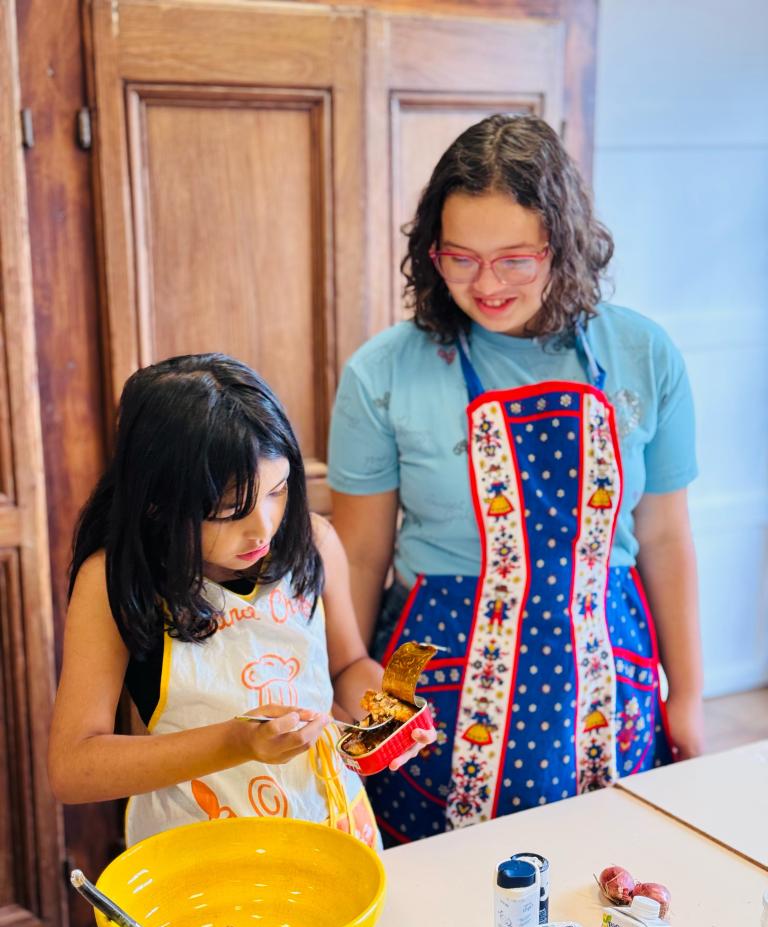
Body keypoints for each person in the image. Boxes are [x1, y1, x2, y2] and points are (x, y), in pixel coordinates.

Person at [328, 113, 704, 846]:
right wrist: (346, 671)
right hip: (431, 679)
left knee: (597, 873)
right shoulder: (383, 373)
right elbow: (359, 556)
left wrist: (687, 693)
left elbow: (664, 537)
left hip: (606, 676)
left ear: (563, 244)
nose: (486, 284)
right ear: (431, 251)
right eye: (460, 258)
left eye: (515, 260)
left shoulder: (644, 353)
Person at [48, 353, 433, 848]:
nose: (263, 529)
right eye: (231, 510)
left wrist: (392, 713)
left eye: (278, 490)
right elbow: (72, 768)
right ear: (157, 503)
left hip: (331, 828)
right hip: (199, 850)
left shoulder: (313, 541)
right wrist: (237, 742)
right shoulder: (117, 578)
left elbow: (346, 666)